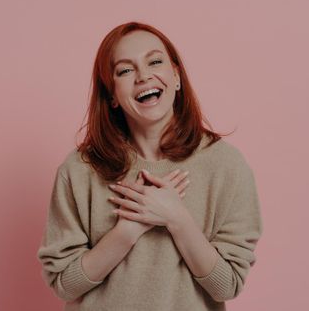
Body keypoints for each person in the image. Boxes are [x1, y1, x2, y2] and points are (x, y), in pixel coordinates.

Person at [36, 21, 263, 310]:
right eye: (125, 70)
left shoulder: (226, 166)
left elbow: (227, 285)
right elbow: (65, 284)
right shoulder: (80, 170)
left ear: (177, 77)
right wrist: (128, 230)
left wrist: (176, 218)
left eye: (154, 61)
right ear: (112, 96)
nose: (143, 76)